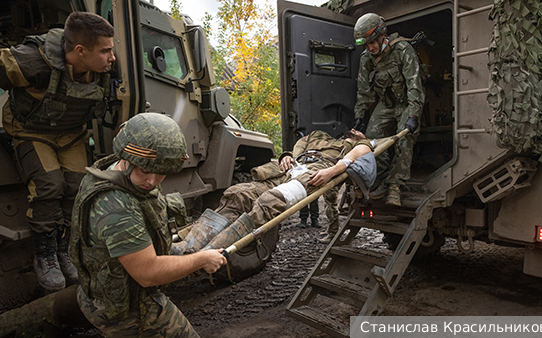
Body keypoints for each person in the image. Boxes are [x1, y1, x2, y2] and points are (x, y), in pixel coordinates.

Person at [69, 113, 227, 337]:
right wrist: (202, 259)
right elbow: (148, 273)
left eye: (161, 172)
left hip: (113, 291)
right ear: (126, 155)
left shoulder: (116, 170)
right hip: (127, 309)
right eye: (145, 170)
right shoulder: (117, 206)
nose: (152, 181)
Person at [0, 11, 116, 291]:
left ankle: (65, 252)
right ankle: (46, 256)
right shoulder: (33, 61)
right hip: (30, 130)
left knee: (77, 187)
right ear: (80, 51)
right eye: (105, 51)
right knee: (49, 185)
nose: (112, 57)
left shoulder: (106, 64)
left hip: (71, 134)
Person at [215, 129, 373, 243]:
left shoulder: (359, 144)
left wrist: (331, 171)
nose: (355, 130)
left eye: (359, 131)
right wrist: (288, 156)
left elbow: (353, 157)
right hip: (292, 168)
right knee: (238, 193)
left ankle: (221, 242)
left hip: (317, 171)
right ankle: (203, 235)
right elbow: (299, 146)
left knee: (271, 200)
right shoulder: (319, 135)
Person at [352, 13, 424, 207]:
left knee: (404, 137)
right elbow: (364, 91)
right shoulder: (367, 58)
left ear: (382, 35)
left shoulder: (402, 50)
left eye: (372, 43)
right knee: (370, 139)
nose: (370, 48)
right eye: (365, 45)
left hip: (406, 102)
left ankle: (394, 186)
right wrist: (360, 116)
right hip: (386, 104)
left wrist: (413, 115)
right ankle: (381, 177)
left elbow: (414, 86)